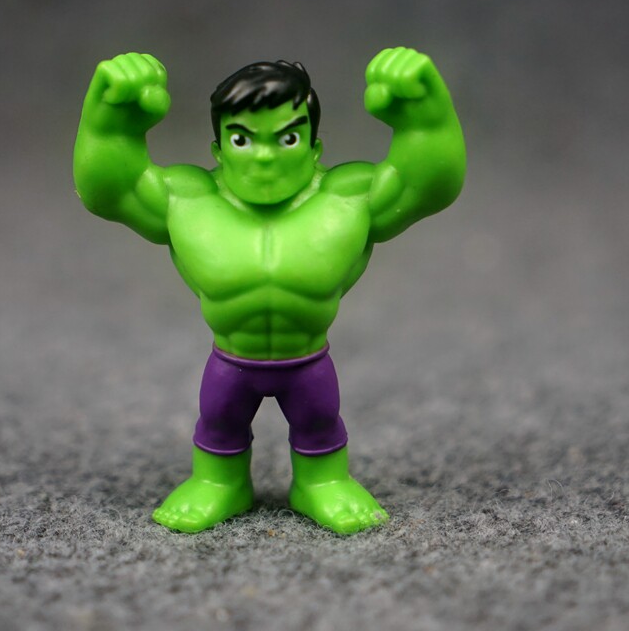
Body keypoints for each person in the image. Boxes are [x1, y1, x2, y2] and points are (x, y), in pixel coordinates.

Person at [73, 47, 465, 533]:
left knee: (319, 421)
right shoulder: (187, 200)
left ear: (315, 147)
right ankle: (219, 482)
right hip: (231, 360)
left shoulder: (347, 197)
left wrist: (424, 119)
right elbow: (111, 189)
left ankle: (322, 482)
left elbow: (426, 184)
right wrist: (112, 124)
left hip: (308, 361)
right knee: (219, 422)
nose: (264, 157)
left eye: (287, 137)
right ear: (217, 148)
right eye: (242, 139)